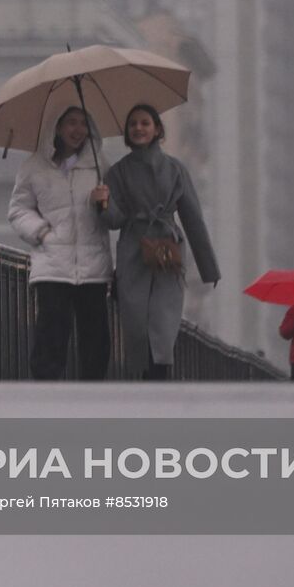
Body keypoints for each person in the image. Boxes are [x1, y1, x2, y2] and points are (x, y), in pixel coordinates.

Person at [95, 103, 219, 380]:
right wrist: (103, 204)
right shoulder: (117, 173)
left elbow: (193, 218)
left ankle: (160, 375)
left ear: (157, 129)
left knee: (163, 322)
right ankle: (141, 379)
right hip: (132, 253)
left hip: (167, 254)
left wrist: (209, 268)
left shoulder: (176, 169)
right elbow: (114, 220)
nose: (138, 128)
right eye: (133, 124)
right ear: (127, 132)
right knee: (137, 324)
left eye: (145, 123)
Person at [8, 104, 113, 380]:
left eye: (82, 123)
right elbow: (18, 210)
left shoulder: (100, 164)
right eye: (70, 123)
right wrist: (41, 232)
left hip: (93, 267)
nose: (77, 130)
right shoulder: (34, 166)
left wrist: (104, 202)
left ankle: (92, 397)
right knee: (51, 335)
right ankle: (48, 395)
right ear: (57, 127)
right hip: (52, 264)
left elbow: (115, 212)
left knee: (96, 339)